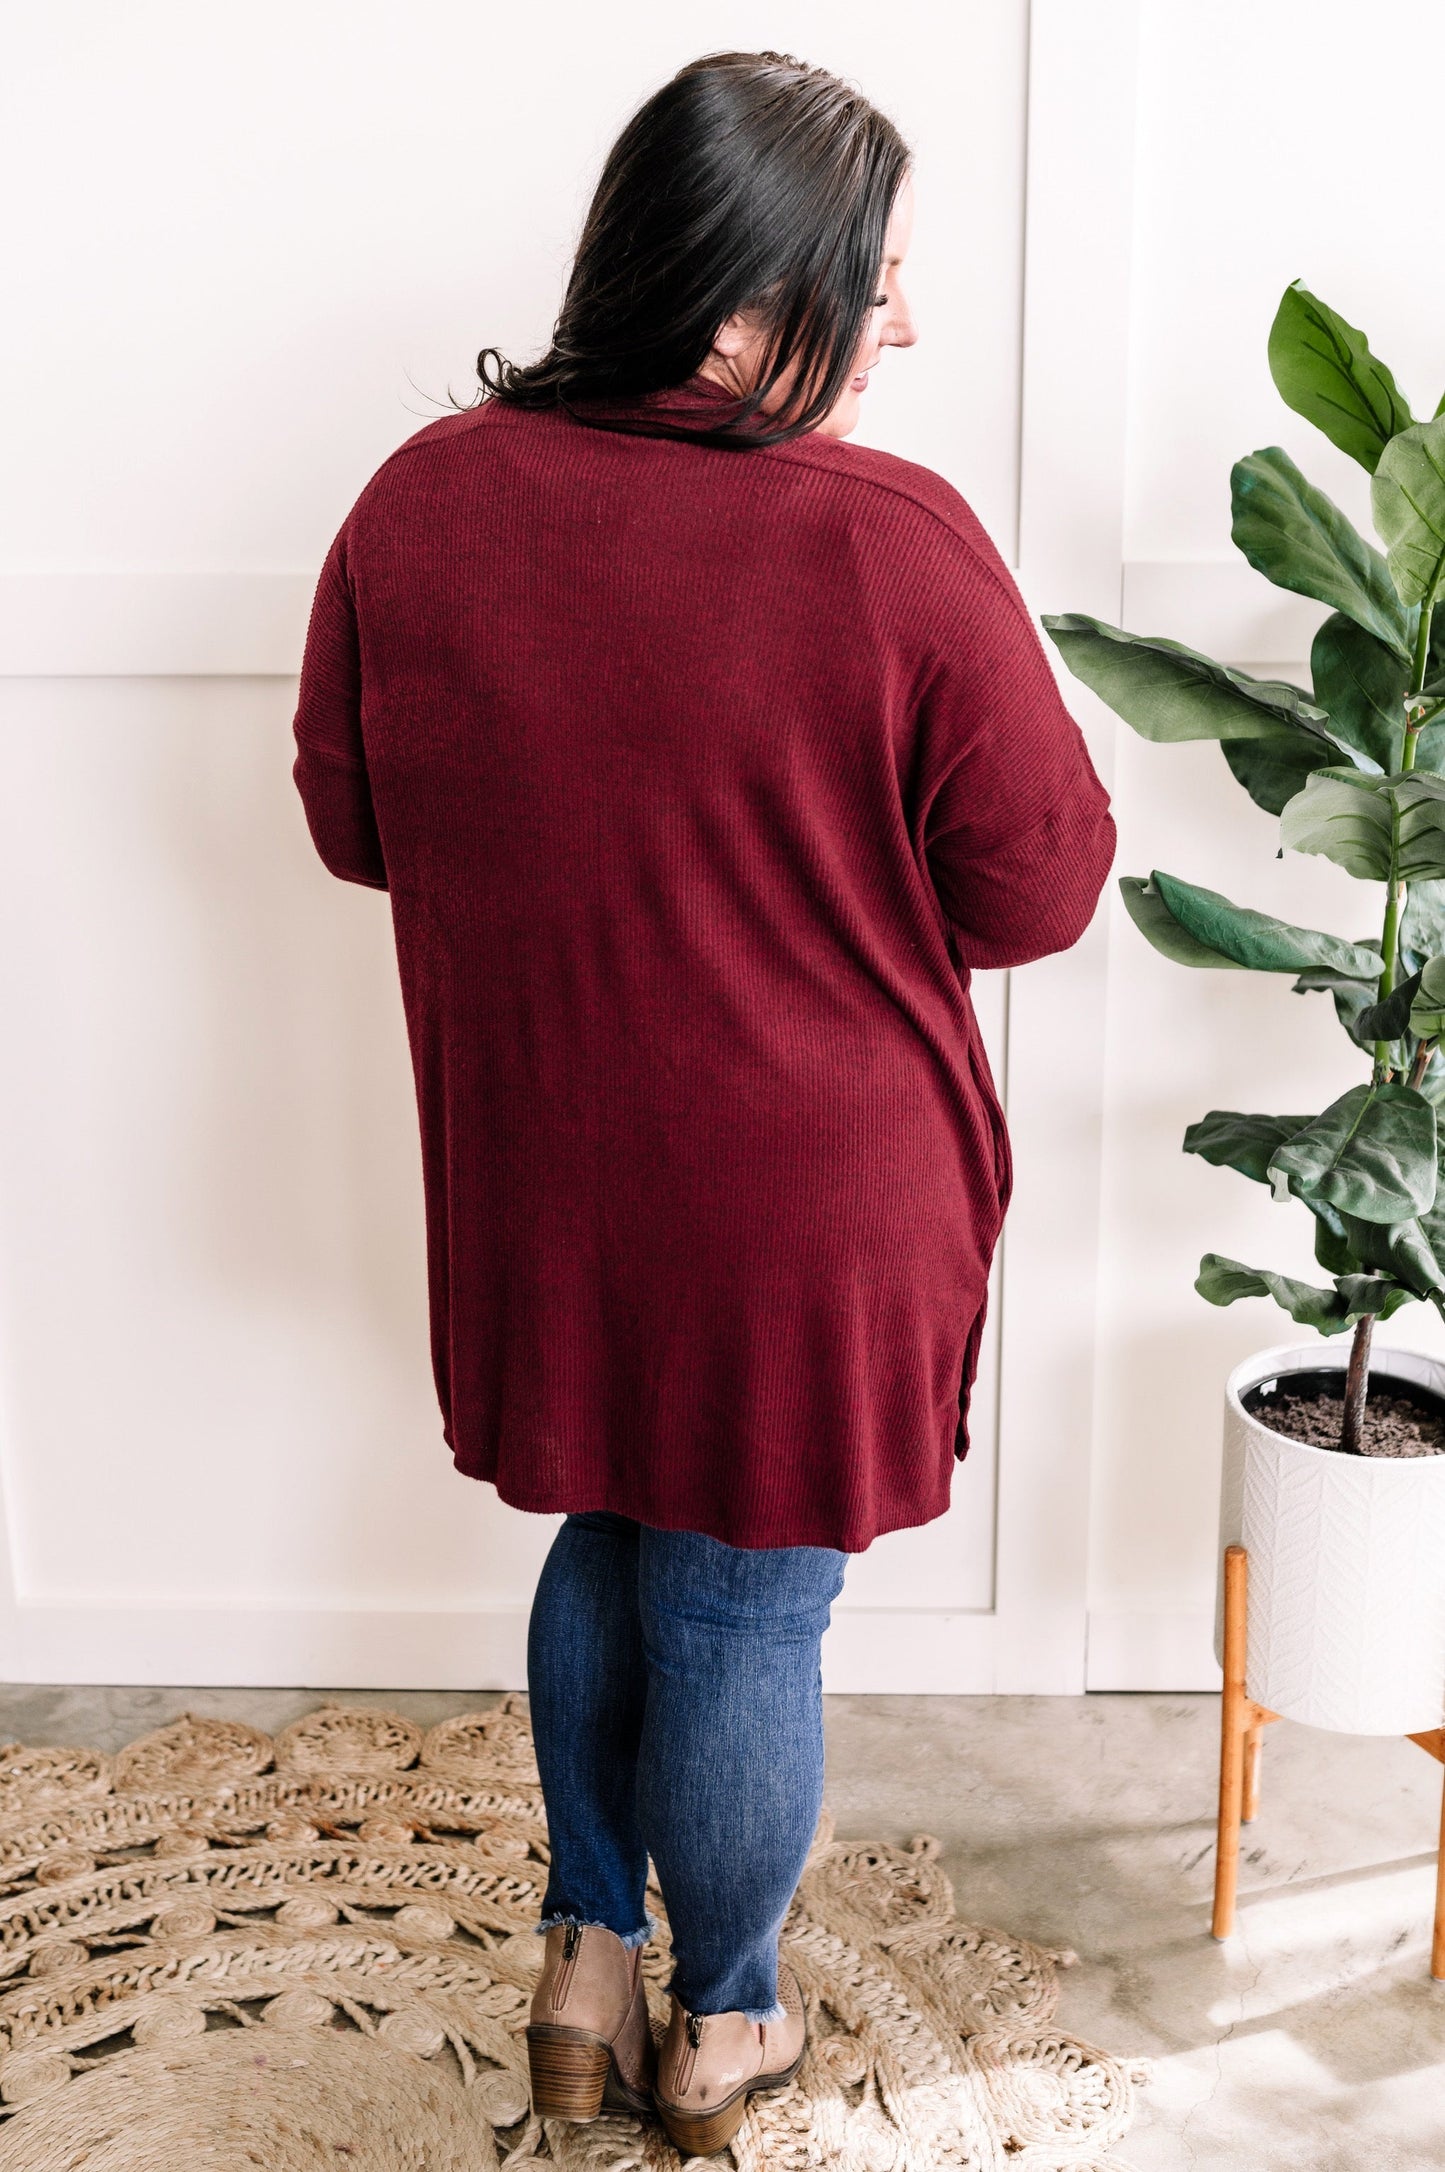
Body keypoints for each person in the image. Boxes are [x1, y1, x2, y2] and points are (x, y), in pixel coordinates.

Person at [291, 47, 1115, 2158]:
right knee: (746, 1589)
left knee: (612, 1526)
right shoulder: (895, 542)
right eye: (879, 277)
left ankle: (581, 1960)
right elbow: (1039, 890)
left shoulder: (417, 503)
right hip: (807, 1198)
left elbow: (354, 826)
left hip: (547, 1165)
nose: (905, 324)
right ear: (748, 302)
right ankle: (724, 2024)